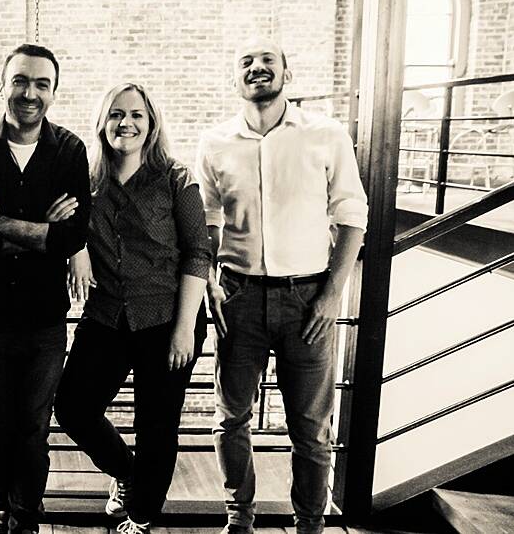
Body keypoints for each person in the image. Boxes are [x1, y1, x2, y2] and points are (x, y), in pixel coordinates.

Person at [195, 39, 368, 534]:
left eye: (267, 61)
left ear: (286, 75)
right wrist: (209, 278)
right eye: (245, 61)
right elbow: (206, 222)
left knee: (311, 431)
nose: (257, 68)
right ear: (235, 78)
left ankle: (310, 524)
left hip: (308, 298)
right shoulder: (215, 142)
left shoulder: (325, 134)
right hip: (238, 298)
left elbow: (351, 214)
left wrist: (332, 295)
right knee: (231, 420)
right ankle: (239, 518)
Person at [0, 43, 90, 534]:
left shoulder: (70, 150)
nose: (30, 93)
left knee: (33, 429)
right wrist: (38, 234)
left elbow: (72, 236)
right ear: (2, 84)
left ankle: (27, 516)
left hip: (43, 318)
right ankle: (0, 507)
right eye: (21, 81)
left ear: (54, 92)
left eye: (42, 84)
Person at [54, 83, 211, 533]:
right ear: (103, 124)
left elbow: (198, 252)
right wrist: (76, 249)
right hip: (106, 314)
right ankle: (126, 473)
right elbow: (61, 223)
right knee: (73, 407)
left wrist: (185, 330)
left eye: (137, 114)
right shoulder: (87, 182)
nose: (127, 123)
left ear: (151, 122)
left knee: (157, 425)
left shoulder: (177, 179)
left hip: (167, 318)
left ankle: (141, 518)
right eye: (117, 114)